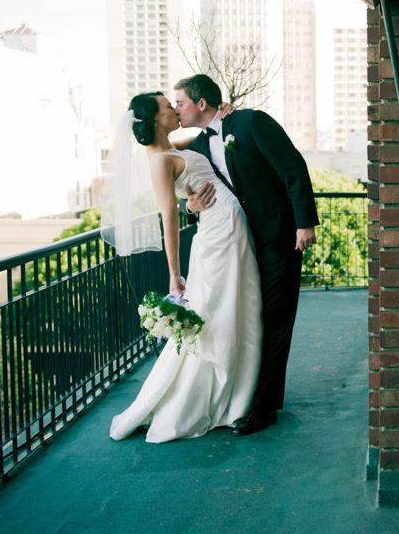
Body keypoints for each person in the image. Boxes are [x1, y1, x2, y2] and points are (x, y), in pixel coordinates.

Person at [105, 92, 262, 443]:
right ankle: (210, 399)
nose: (175, 109)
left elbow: (208, 135)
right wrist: (173, 274)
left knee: (238, 305)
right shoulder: (159, 161)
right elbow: (169, 218)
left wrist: (223, 114)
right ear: (155, 119)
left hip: (230, 225)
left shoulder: (176, 146)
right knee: (219, 311)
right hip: (218, 234)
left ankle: (239, 391)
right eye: (167, 106)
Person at [175, 74, 318, 436]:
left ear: (201, 104)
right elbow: (194, 189)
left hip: (278, 238)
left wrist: (304, 223)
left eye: (181, 102)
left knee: (275, 318)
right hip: (240, 245)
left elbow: (293, 167)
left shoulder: (251, 122)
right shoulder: (200, 147)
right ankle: (246, 394)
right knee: (251, 317)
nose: (177, 109)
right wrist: (190, 206)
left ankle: (264, 407)